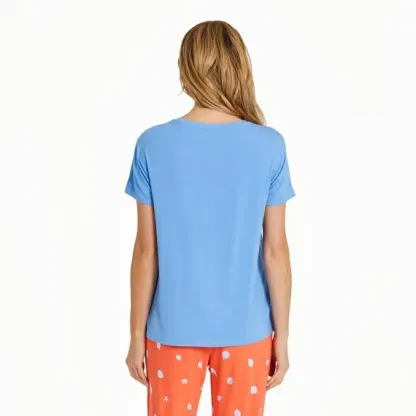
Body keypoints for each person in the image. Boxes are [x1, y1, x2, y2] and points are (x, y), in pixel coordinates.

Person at [125, 20, 295, 416]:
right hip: (247, 331)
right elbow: (276, 251)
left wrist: (136, 335)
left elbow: (147, 250)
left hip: (171, 330)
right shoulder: (269, 145)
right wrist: (283, 337)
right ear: (239, 66)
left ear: (186, 67)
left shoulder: (152, 144)